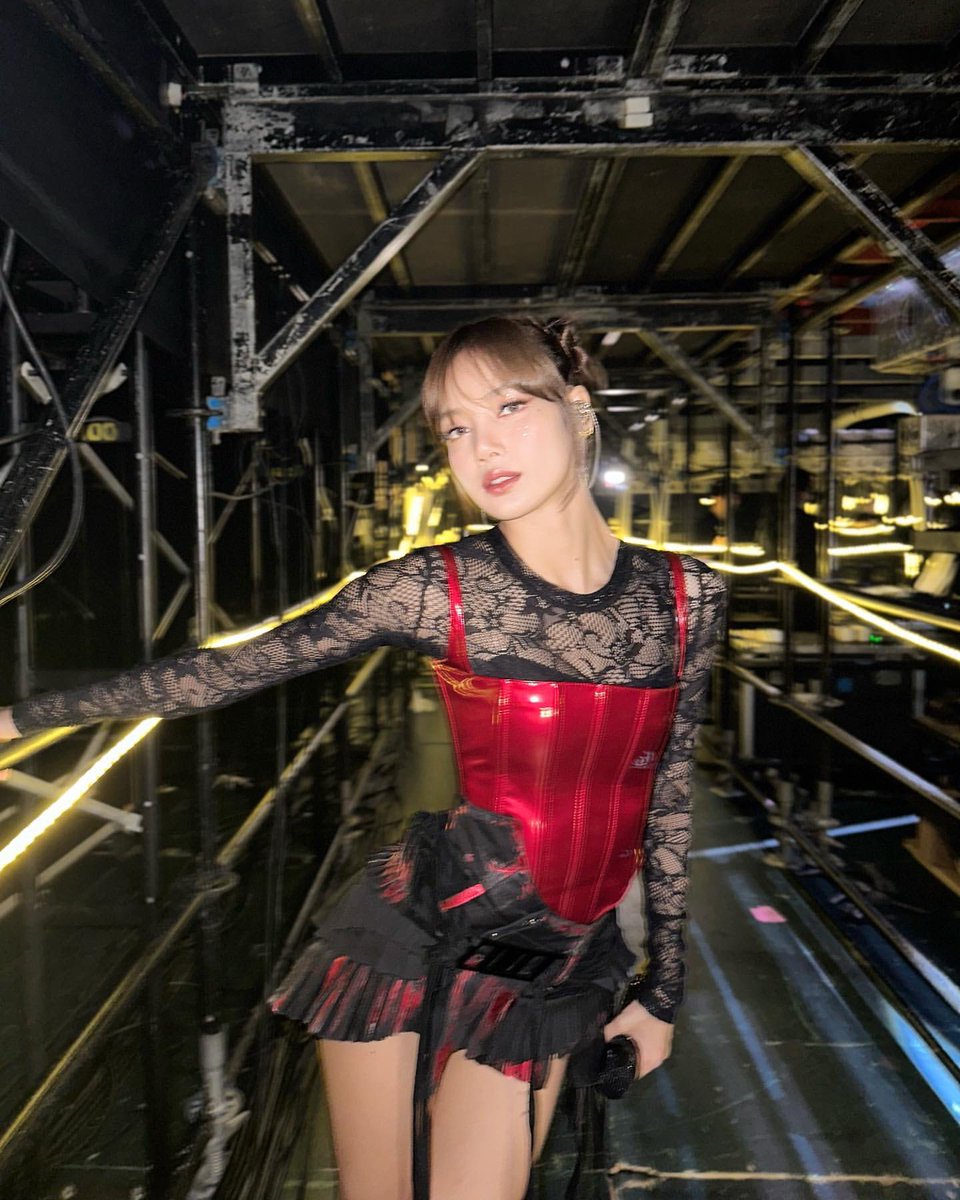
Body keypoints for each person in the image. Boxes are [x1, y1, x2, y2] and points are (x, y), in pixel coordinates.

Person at [0, 316, 726, 1200]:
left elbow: (668, 793)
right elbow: (226, 672)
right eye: (455, 428)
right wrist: (16, 719)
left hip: (557, 956)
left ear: (577, 410)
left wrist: (663, 991)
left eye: (509, 407)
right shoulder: (431, 589)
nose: (483, 447)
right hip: (416, 937)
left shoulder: (687, 595)